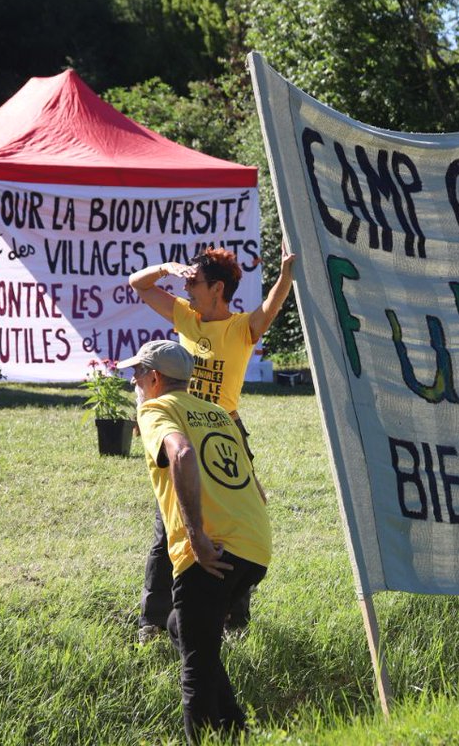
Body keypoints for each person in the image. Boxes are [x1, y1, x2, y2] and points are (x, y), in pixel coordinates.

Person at [128, 247, 295, 643]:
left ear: (217, 288)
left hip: (224, 434)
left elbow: (272, 303)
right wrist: (167, 267)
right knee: (168, 528)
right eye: (184, 280)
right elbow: (139, 284)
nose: (186, 286)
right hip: (182, 428)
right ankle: (153, 621)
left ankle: (233, 619)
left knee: (234, 523)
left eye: (193, 281)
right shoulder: (187, 317)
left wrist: (286, 271)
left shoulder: (242, 328)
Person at [121, 339, 271, 744]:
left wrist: (197, 536)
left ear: (154, 378)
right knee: (181, 628)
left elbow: (182, 454)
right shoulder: (219, 413)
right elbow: (258, 489)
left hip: (211, 552)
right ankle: (239, 731)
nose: (132, 381)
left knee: (195, 671)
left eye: (135, 374)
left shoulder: (156, 409)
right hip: (254, 546)